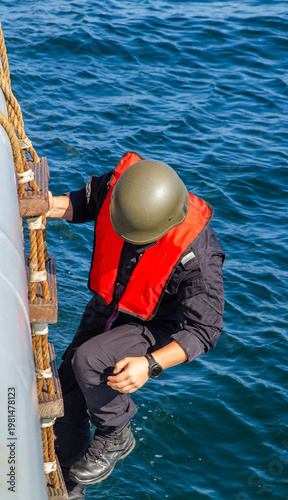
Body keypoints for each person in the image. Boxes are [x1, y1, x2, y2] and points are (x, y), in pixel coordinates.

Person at [47, 151, 225, 500]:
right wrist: (44, 205)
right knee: (66, 393)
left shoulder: (198, 258)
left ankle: (116, 432)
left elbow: (205, 331)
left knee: (89, 360)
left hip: (152, 323)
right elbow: (80, 204)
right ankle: (67, 488)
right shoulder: (120, 188)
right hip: (109, 304)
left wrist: (150, 364)